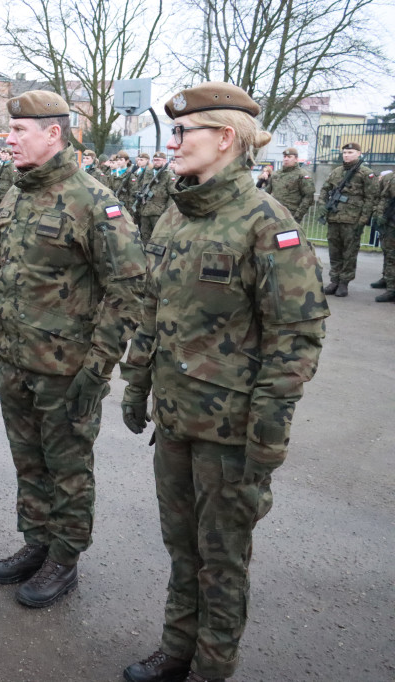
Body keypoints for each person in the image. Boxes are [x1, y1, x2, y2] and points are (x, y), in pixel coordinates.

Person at [119, 82, 329, 682]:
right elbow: (154, 311)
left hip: (230, 431)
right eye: (174, 131)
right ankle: (177, 646)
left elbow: (296, 337)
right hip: (177, 417)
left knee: (222, 558)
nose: (173, 141)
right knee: (181, 544)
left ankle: (212, 666)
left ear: (226, 139)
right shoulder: (177, 213)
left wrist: (267, 434)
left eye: (185, 132)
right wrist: (137, 383)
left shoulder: (268, 224)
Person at [0, 90, 144, 608]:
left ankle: (64, 558)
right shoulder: (16, 194)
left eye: (18, 132)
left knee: (67, 468)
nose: (8, 141)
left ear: (53, 133)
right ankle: (36, 542)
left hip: (66, 369)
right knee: (28, 461)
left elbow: (128, 292)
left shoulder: (95, 202)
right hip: (14, 357)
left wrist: (96, 371)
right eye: (9, 131)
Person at [318, 142, 377, 297]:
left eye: (350, 152)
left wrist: (363, 220)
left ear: (359, 153)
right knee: (334, 252)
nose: (346, 155)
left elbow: (371, 198)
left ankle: (344, 283)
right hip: (334, 218)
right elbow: (325, 190)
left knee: (349, 253)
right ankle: (334, 280)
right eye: (344, 152)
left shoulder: (366, 173)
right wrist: (323, 206)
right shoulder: (336, 172)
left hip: (353, 220)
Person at [266, 148, 314, 225]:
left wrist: (298, 215)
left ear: (296, 159)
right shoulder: (276, 174)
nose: (286, 159)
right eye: (284, 157)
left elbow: (308, 196)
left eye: (289, 157)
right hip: (274, 214)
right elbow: (267, 193)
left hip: (291, 215)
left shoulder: (302, 175)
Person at [136, 151, 175, 243]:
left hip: (159, 212)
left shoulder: (169, 175)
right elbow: (141, 187)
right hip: (145, 210)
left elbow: (173, 195)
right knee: (144, 236)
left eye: (158, 160)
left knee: (159, 238)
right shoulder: (148, 173)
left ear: (165, 161)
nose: (156, 162)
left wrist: (166, 212)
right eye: (154, 160)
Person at [371, 170, 395, 302]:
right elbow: (380, 198)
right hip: (390, 224)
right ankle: (390, 288)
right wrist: (378, 214)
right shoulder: (389, 178)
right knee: (390, 255)